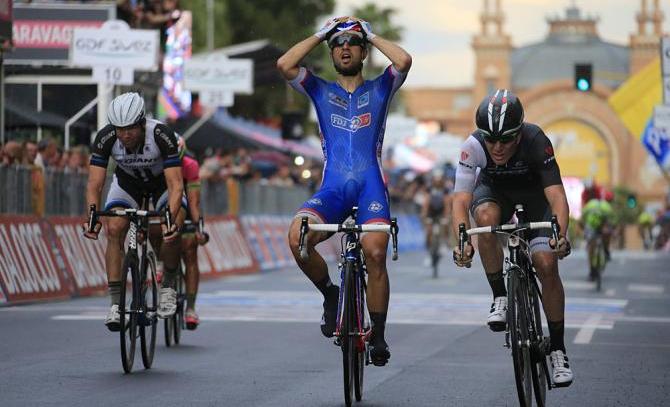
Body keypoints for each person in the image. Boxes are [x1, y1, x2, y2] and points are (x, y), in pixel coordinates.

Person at [277, 17, 411, 366]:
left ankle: (378, 335)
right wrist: (321, 32)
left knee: (376, 252)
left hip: (371, 187)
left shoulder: (381, 88)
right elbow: (285, 64)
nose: (345, 47)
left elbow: (403, 61)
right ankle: (330, 294)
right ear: (331, 52)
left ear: (363, 51)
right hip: (334, 188)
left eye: (352, 42)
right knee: (297, 238)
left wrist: (369, 32)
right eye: (337, 44)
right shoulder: (320, 89)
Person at [451, 89, 574, 387]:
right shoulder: (473, 146)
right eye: (491, 139)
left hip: (535, 197)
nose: (497, 147)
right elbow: (459, 200)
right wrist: (462, 240)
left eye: (506, 139)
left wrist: (561, 233)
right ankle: (500, 297)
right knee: (484, 220)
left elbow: (556, 195)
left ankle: (557, 349)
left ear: (519, 133)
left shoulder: (536, 141)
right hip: (495, 194)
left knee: (545, 262)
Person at [82, 92, 185, 332]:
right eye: (120, 129)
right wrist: (92, 216)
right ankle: (116, 304)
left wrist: (170, 219)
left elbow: (176, 185)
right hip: (128, 184)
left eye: (130, 129)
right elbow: (94, 184)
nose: (125, 134)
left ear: (141, 123)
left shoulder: (161, 135)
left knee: (172, 227)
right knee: (115, 228)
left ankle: (168, 285)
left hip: (161, 184)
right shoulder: (106, 137)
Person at [177, 135, 209, 329]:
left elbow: (194, 202)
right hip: (162, 202)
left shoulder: (189, 165)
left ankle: (190, 307)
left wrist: (198, 228)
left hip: (185, 204)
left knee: (190, 251)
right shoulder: (154, 163)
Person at [421, 169, 452, 261]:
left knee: (445, 225)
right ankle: (428, 252)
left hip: (441, 210)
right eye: (436, 179)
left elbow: (447, 203)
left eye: (439, 180)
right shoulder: (429, 188)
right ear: (433, 180)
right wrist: (424, 214)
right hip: (431, 210)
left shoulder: (445, 189)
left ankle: (445, 243)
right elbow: (426, 202)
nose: (437, 182)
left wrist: (447, 216)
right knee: (429, 231)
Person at [581, 196, 615, 277]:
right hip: (601, 226)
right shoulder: (607, 206)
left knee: (590, 248)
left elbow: (582, 218)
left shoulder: (590, 204)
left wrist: (584, 232)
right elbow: (612, 222)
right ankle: (606, 251)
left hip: (590, 226)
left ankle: (592, 270)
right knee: (607, 234)